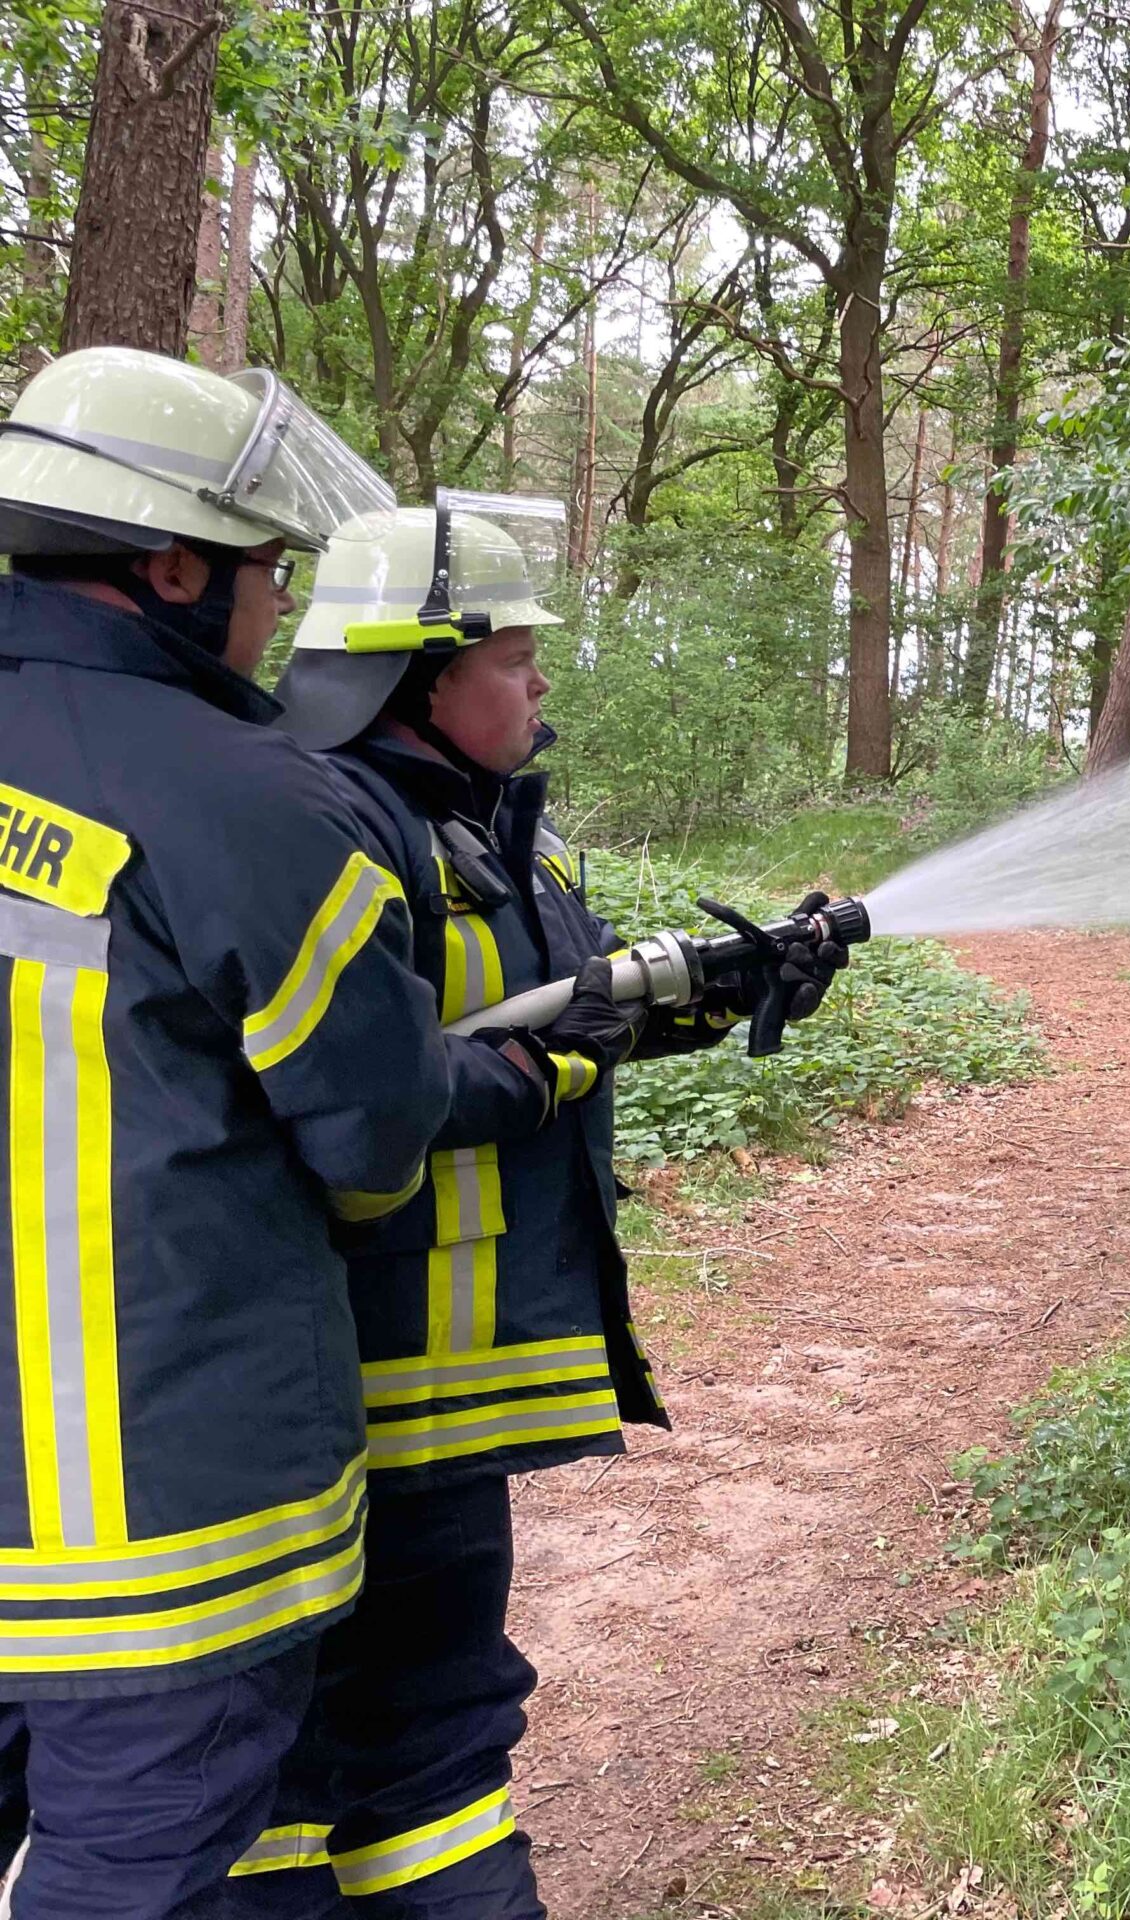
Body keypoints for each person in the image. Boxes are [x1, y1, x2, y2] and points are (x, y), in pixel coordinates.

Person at [232, 498, 844, 1915]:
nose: (541, 684)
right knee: (330, 1756)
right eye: (517, 657)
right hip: (353, 1386)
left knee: (421, 1739)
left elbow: (565, 1012)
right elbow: (363, 1085)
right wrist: (538, 1072)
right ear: (426, 674)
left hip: (447, 1393)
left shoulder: (495, 823)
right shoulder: (329, 830)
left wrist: (727, 984)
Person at [0, 346, 450, 1917]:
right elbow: (377, 1141)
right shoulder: (248, 800)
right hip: (156, 1522)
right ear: (174, 565)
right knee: (134, 1878)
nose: (278, 611)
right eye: (268, 569)